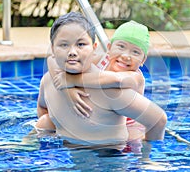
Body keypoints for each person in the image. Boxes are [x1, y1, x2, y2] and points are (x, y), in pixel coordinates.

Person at [36, 12, 167, 148]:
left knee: (134, 143)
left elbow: (114, 80)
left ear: (143, 60)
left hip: (130, 123)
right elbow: (52, 59)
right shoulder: (101, 59)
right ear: (109, 48)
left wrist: (70, 80)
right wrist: (66, 89)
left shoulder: (135, 77)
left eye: (135, 52)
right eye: (121, 47)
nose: (126, 56)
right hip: (91, 125)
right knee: (45, 122)